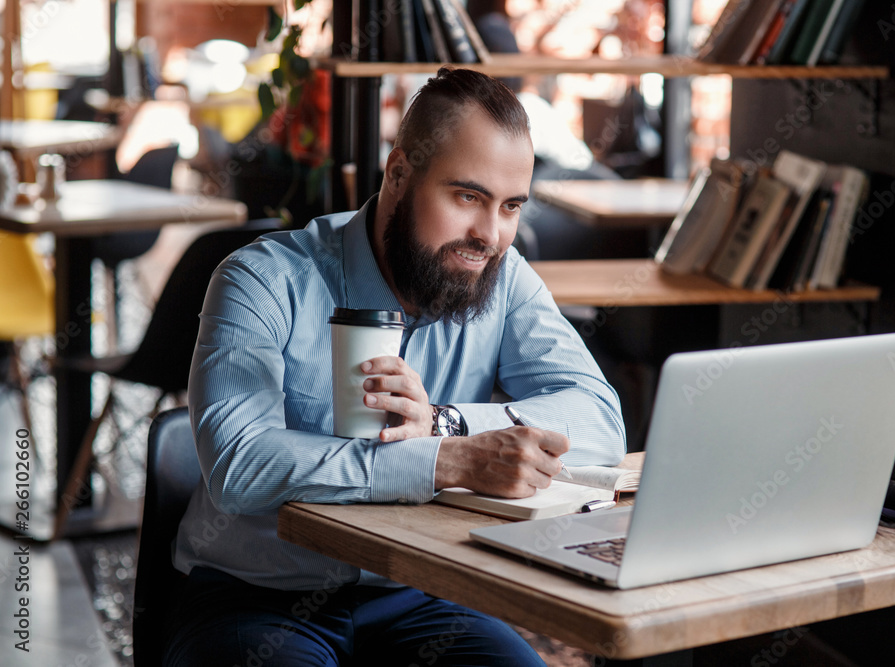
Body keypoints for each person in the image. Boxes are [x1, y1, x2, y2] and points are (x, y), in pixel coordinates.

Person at [164, 67, 626, 666]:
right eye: (468, 197)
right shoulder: (264, 279)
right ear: (400, 175)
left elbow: (600, 421)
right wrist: (442, 464)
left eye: (511, 206)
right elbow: (239, 465)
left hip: (420, 594)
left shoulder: (503, 279)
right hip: (258, 597)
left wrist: (445, 424)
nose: (489, 234)